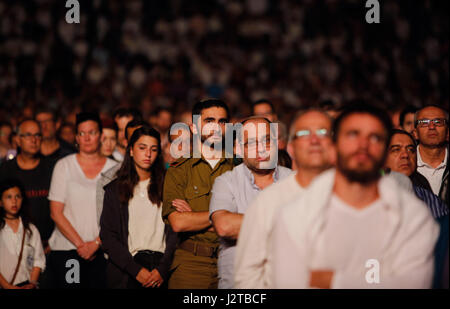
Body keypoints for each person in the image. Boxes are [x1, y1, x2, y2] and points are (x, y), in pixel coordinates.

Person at [270, 104, 439, 288]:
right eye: (352, 134)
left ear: (385, 152)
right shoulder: (295, 216)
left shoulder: (413, 217)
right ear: (333, 148)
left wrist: (332, 280)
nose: (363, 145)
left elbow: (413, 285)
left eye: (374, 137)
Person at [234, 108, 335, 288]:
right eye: (304, 133)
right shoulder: (267, 203)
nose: (314, 140)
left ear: (336, 144)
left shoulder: (363, 197)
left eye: (323, 133)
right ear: (290, 148)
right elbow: (247, 276)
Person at [209, 117, 292, 288]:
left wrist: (243, 224)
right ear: (239, 149)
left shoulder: (295, 180)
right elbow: (224, 226)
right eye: (252, 143)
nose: (261, 149)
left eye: (266, 140)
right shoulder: (226, 182)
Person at [162, 99, 234, 289]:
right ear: (193, 128)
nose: (217, 128)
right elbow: (178, 223)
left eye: (222, 122)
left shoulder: (239, 167)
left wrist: (194, 216)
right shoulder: (178, 169)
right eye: (209, 121)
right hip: (191, 263)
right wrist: (225, 218)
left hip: (233, 260)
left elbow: (250, 219)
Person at [46, 112, 117, 288]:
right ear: (76, 137)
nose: (86, 138)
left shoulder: (115, 169)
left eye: (91, 132)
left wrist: (95, 244)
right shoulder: (64, 166)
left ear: (100, 135)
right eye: (81, 133)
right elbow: (56, 212)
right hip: (68, 250)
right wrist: (81, 245)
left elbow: (117, 214)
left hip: (103, 252)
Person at [100, 127, 177, 289]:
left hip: (161, 268)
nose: (148, 154)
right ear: (131, 150)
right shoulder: (114, 190)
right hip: (128, 270)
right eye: (142, 148)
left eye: (153, 149)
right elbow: (108, 236)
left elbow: (175, 234)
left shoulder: (170, 187)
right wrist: (135, 270)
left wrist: (162, 269)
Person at [384, 129, 449, 289]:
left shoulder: (430, 199)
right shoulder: (368, 194)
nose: (405, 155)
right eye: (396, 149)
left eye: (411, 150)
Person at [0, 120, 55, 251]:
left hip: (49, 244)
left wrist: (54, 242)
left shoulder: (53, 168)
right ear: (18, 140)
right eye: (28, 135)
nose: (34, 140)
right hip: (13, 245)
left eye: (37, 135)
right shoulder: (5, 170)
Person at [0, 179, 45, 289]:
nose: (14, 201)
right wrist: (7, 286)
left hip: (26, 284)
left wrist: (32, 283)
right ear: (0, 202)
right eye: (8, 197)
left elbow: (38, 260)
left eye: (18, 197)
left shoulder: (30, 229)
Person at [413, 105, 449, 205]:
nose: (432, 127)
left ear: (448, 132)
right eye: (424, 123)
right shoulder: (405, 164)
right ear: (415, 133)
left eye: (438, 122)